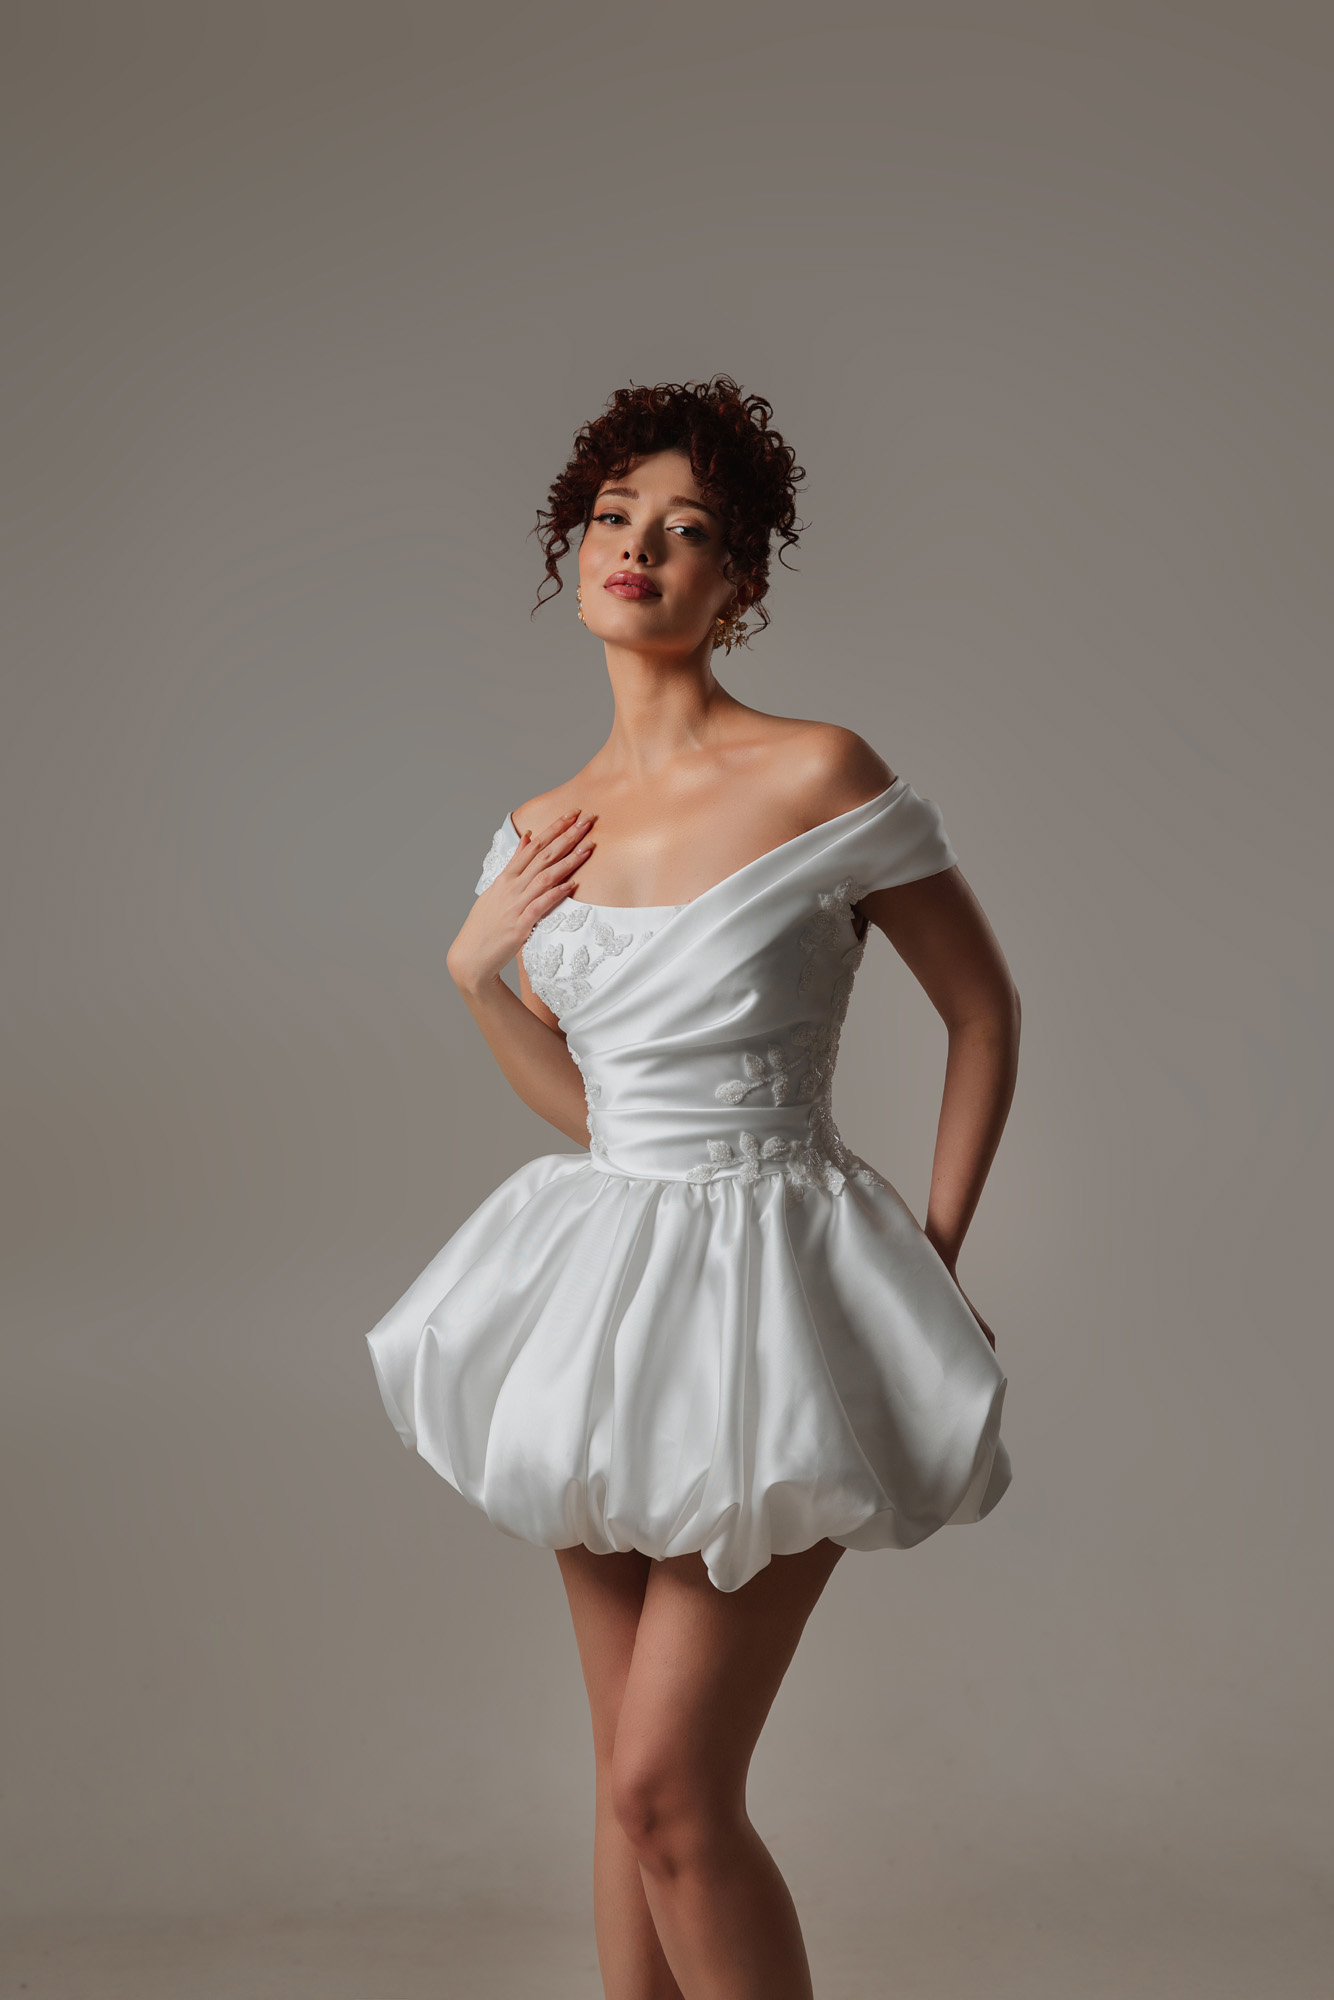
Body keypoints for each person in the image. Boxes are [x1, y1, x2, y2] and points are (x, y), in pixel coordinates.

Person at [366, 376, 1020, 1999]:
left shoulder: (818, 773)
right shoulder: (538, 833)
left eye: (687, 530)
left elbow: (982, 1013)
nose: (639, 550)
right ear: (571, 549)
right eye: (613, 519)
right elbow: (597, 1117)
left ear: (740, 582)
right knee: (626, 1789)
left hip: (781, 1281)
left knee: (670, 1788)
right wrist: (473, 975)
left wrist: (934, 1263)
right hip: (605, 1292)